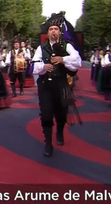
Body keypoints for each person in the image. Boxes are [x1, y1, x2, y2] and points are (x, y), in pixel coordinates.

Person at [32, 12, 82, 157]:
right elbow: (33, 67)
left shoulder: (67, 47)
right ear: (47, 32)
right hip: (45, 85)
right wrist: (43, 67)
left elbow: (77, 61)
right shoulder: (41, 48)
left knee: (61, 113)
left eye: (56, 29)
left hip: (61, 84)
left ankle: (59, 131)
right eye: (51, 29)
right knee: (46, 114)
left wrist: (63, 60)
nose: (53, 31)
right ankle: (48, 143)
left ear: (60, 32)